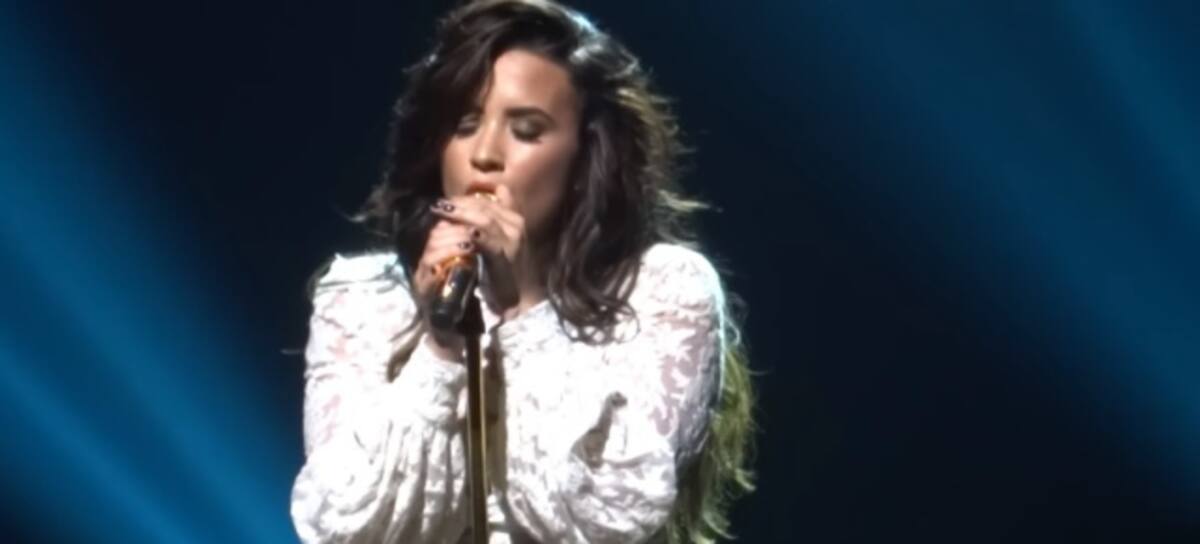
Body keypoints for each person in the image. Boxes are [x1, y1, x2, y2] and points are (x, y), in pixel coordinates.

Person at [289, 1, 755, 542]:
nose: (485, 154)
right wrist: (440, 347)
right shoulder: (363, 302)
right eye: (464, 124)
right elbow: (345, 526)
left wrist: (524, 306)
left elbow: (611, 517)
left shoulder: (660, 291)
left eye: (527, 130)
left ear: (585, 157)